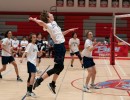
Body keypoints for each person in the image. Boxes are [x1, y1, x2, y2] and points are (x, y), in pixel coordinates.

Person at [29, 10, 78, 94]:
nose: (52, 14)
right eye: (50, 14)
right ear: (48, 17)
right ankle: (40, 80)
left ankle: (52, 83)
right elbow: (41, 23)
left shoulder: (54, 23)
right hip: (58, 47)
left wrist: (69, 30)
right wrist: (34, 19)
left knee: (60, 67)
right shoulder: (47, 25)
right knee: (57, 68)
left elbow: (60, 34)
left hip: (62, 46)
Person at [20, 33, 42, 97]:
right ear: (31, 38)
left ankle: (28, 92)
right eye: (34, 37)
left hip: (34, 63)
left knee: (30, 77)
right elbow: (25, 52)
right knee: (33, 76)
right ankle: (30, 91)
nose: (35, 38)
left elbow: (38, 55)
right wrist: (22, 58)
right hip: (30, 62)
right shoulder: (30, 45)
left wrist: (40, 52)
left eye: (35, 37)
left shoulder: (35, 45)